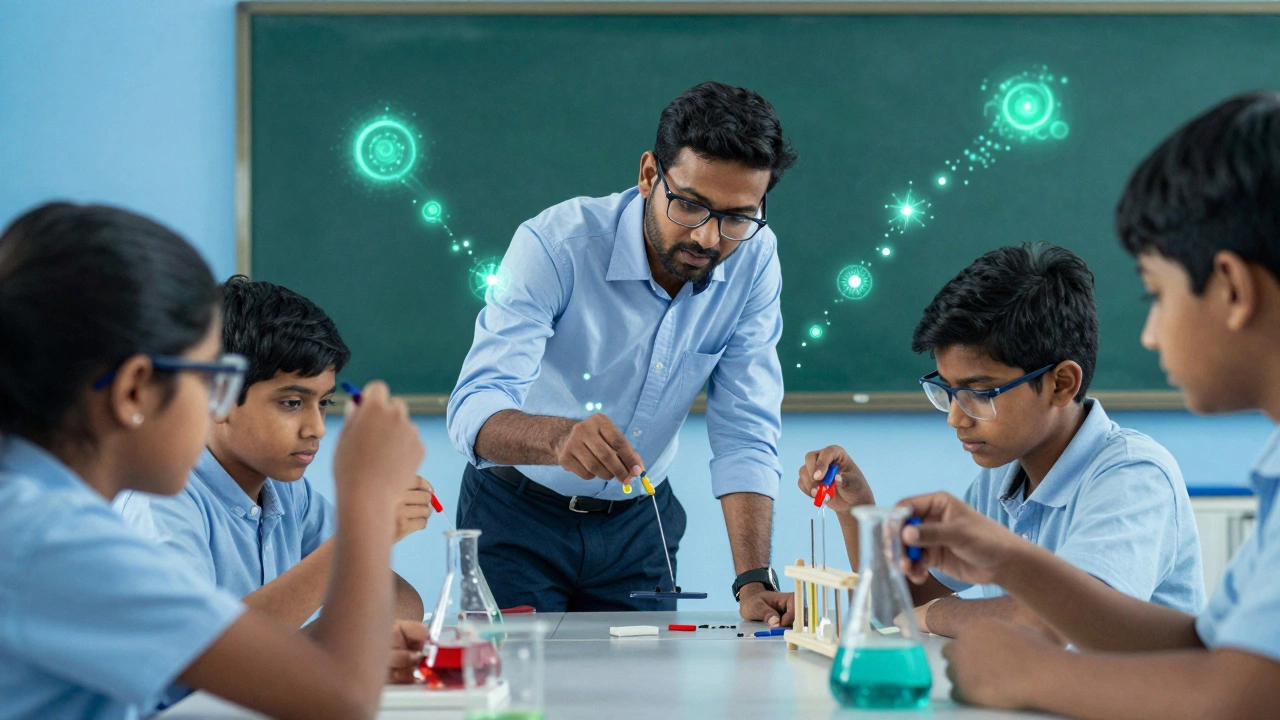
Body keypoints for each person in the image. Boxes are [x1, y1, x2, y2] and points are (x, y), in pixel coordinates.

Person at [899, 92, 1280, 718]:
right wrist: (1006, 558)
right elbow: (1203, 648)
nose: (1150, 334)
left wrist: (1031, 675)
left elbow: (1243, 697)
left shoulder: (1132, 471)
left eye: (1156, 294)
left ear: (1233, 289)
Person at [0, 202, 425, 719]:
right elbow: (344, 698)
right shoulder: (56, 541)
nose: (214, 407)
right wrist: (367, 505)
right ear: (134, 391)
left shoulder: (41, 513)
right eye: (210, 381)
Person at [447, 81, 796, 624]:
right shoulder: (555, 246)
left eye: (736, 217)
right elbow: (473, 407)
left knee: (644, 677)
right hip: (516, 517)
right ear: (649, 175)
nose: (708, 239)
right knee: (512, 677)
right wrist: (559, 438)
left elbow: (745, 427)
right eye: (690, 206)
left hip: (640, 526)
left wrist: (753, 581)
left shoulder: (754, 259)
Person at [798, 243, 1203, 641]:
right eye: (947, 390)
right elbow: (902, 602)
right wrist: (856, 510)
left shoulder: (1133, 477)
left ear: (1061, 384)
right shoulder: (1004, 478)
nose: (955, 418)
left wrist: (938, 614)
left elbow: (1068, 622)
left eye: (980, 392)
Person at [114, 275, 433, 708]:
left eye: (324, 403)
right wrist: (365, 528)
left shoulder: (288, 494)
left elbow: (400, 602)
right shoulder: (162, 503)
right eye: (291, 403)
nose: (316, 428)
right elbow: (200, 654)